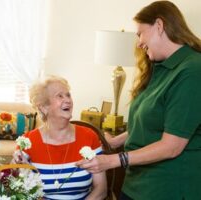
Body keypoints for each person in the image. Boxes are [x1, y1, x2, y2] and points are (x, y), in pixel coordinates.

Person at [77, 1, 201, 200]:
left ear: (159, 26)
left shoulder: (192, 71)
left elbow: (172, 146)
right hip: (137, 183)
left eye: (140, 33)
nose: (138, 43)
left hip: (166, 189)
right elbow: (152, 120)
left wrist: (112, 160)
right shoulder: (160, 68)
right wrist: (116, 141)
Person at [13, 75, 107, 199]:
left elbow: (101, 189)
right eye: (60, 96)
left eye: (68, 95)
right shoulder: (27, 142)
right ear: (44, 107)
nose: (68, 100)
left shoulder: (89, 136)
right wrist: (19, 169)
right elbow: (20, 189)